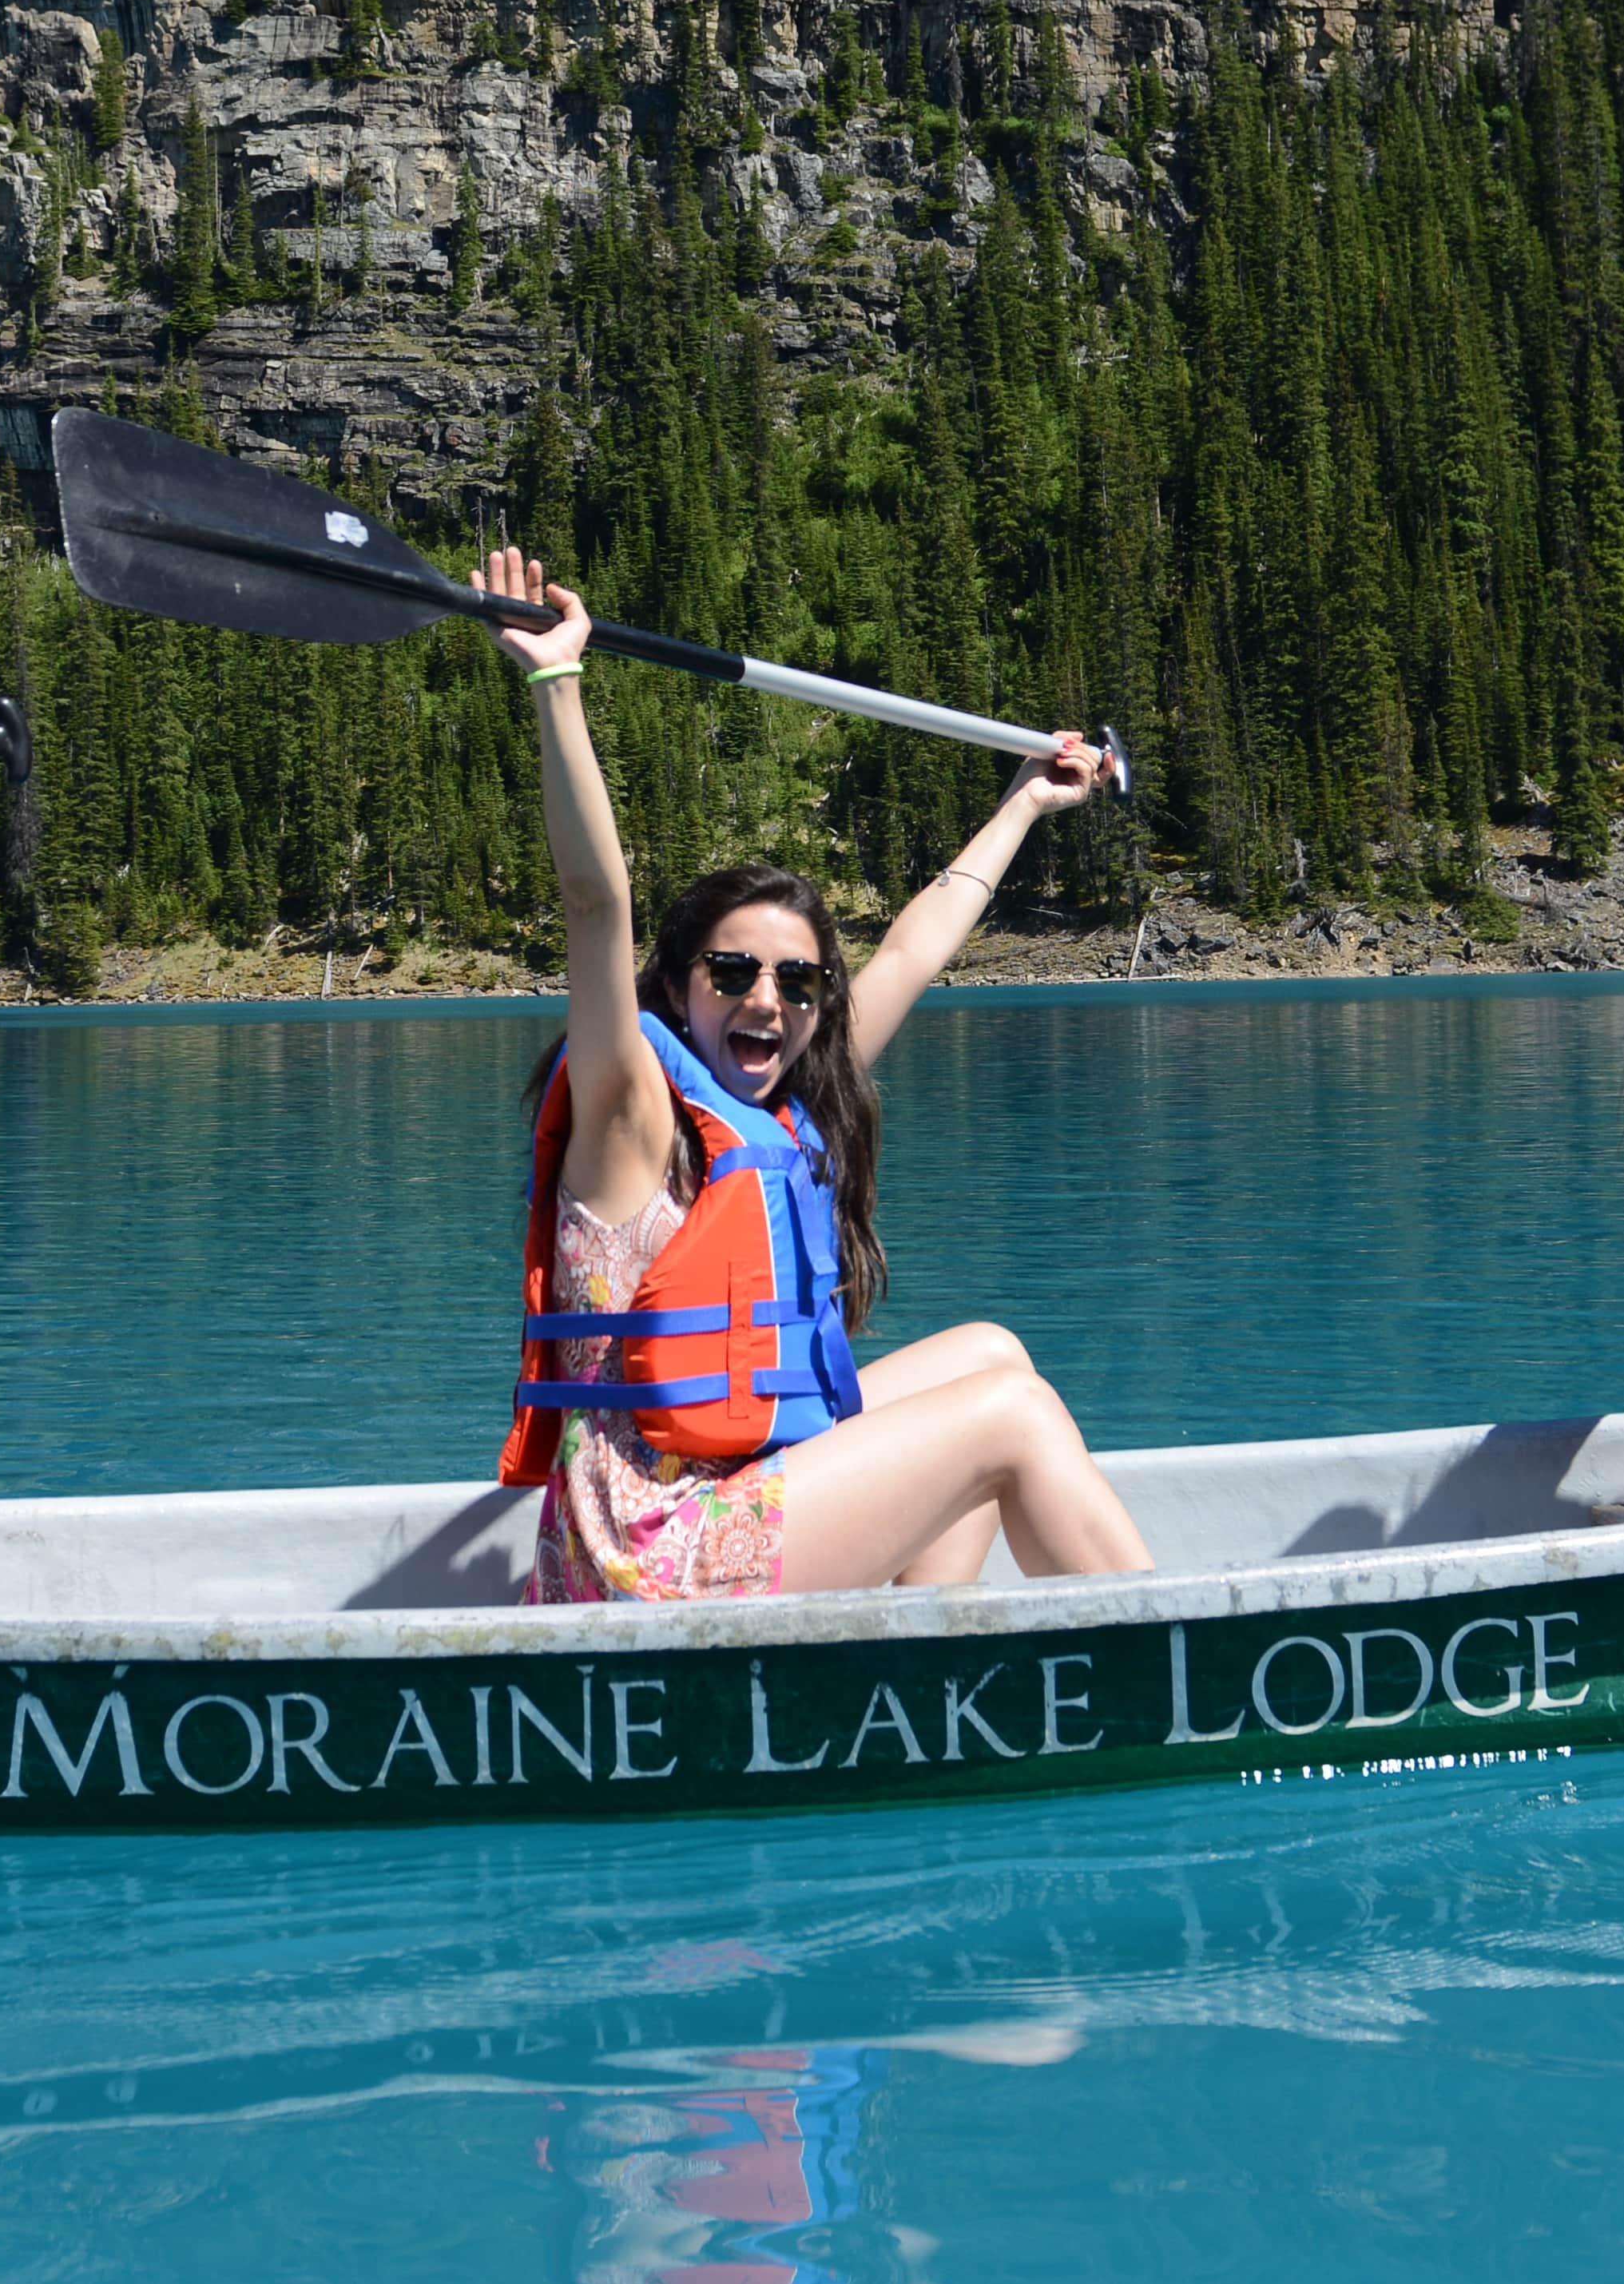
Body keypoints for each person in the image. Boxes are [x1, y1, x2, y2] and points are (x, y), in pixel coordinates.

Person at [486, 546, 1156, 1602]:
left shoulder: (783, 1103)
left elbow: (907, 953)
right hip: (650, 1552)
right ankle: (1178, 1649)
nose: (769, 1000)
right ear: (677, 979)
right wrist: (553, 681)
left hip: (731, 1501)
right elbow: (594, 902)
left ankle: (909, 1663)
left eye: (797, 981)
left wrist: (1026, 804)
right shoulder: (628, 1116)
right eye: (734, 970)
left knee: (993, 1357)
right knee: (1011, 1424)